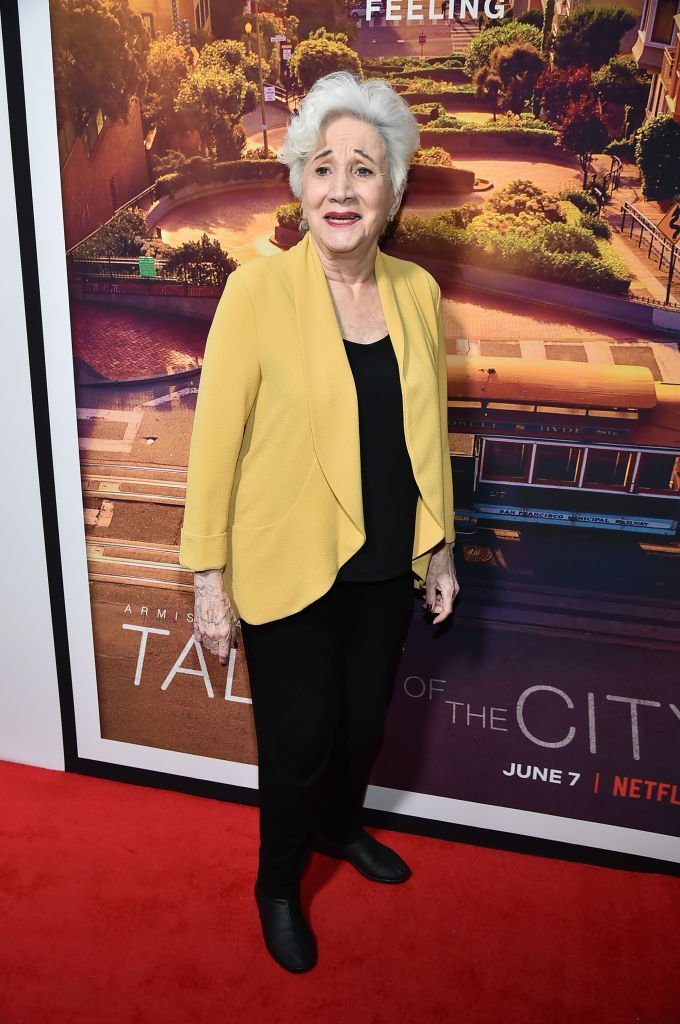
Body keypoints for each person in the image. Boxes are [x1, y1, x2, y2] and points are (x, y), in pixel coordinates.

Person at [178, 70, 460, 973]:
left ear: (394, 192)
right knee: (298, 740)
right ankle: (277, 882)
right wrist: (207, 583)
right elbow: (214, 449)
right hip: (288, 564)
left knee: (364, 726)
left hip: (384, 563)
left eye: (365, 170)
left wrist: (439, 548)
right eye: (324, 167)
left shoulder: (418, 292)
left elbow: (428, 430)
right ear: (299, 183)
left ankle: (342, 831)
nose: (342, 189)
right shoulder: (255, 297)